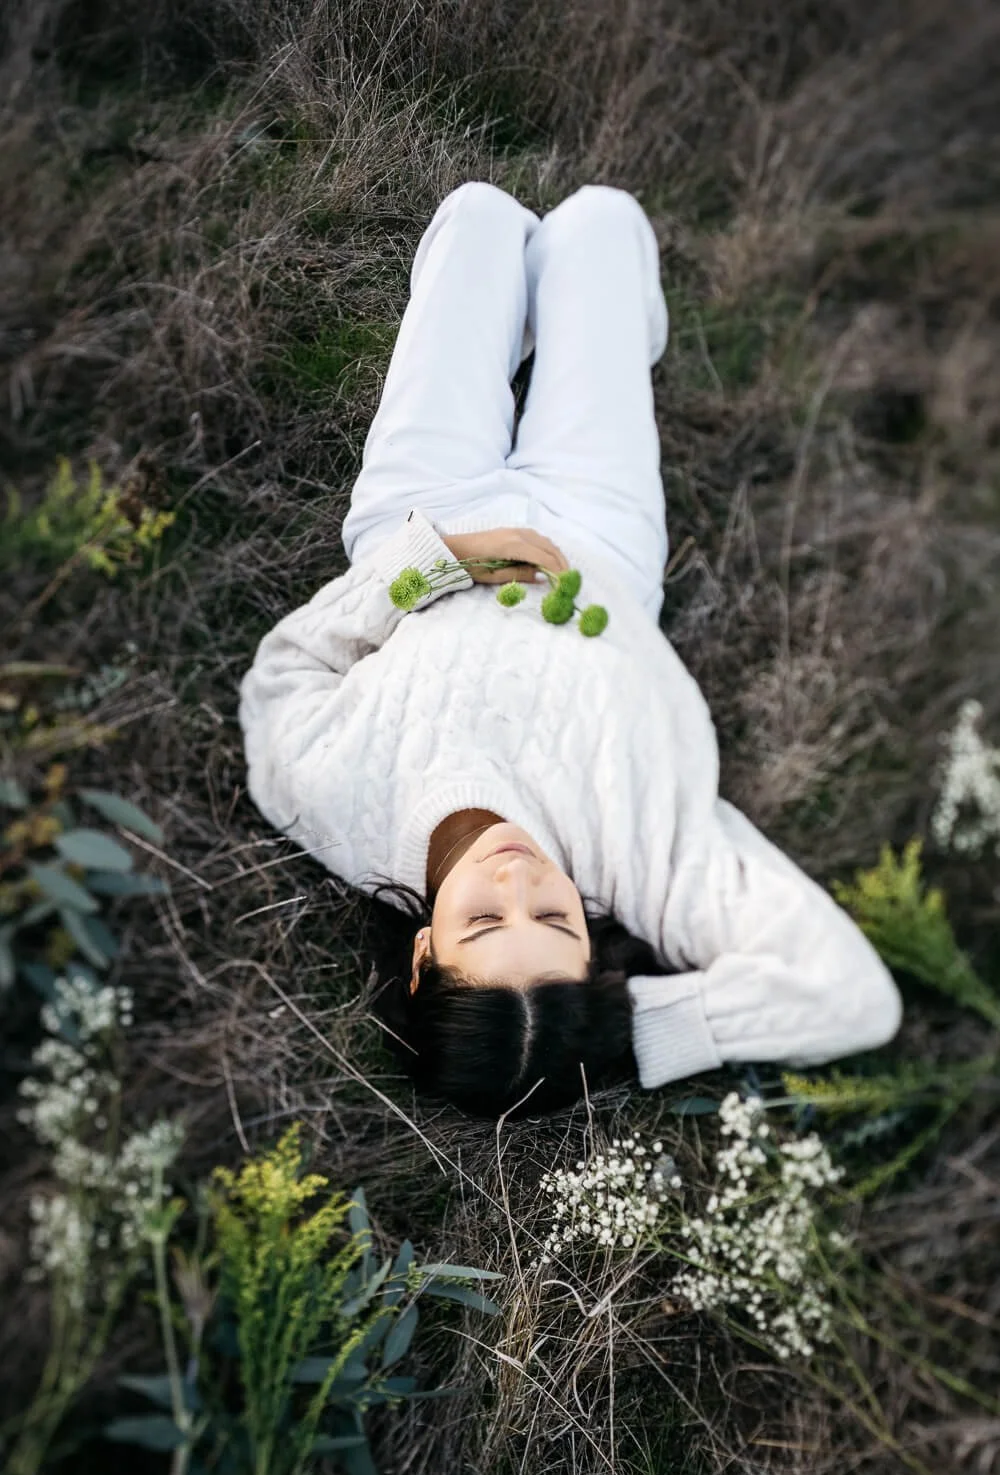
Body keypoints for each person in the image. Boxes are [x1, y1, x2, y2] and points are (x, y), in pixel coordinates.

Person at [238, 181, 902, 1119]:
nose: (519, 879)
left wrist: (434, 561)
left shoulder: (333, 804)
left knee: (479, 216)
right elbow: (849, 997)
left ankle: (527, 336)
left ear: (425, 955)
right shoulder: (642, 860)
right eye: (553, 921)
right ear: (591, 952)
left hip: (424, 510)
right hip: (598, 532)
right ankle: (593, 337)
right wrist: (622, 1029)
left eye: (481, 920)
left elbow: (283, 680)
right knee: (600, 221)